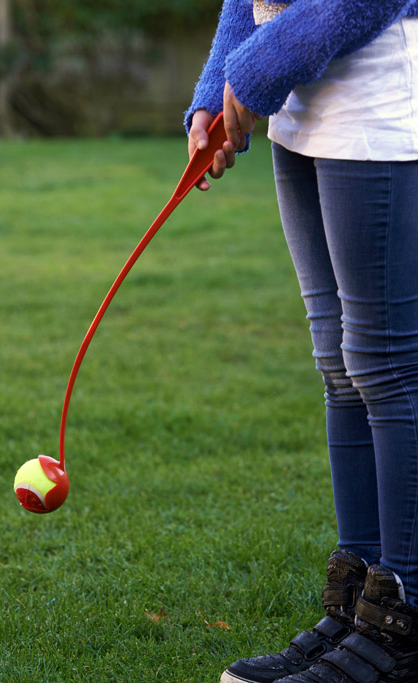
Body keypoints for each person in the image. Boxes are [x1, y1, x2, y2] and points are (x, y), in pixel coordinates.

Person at [185, 1, 418, 682]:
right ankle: (357, 604)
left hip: (376, 106)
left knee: (385, 366)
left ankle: (402, 620)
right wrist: (215, 90)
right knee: (339, 363)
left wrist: (255, 68)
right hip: (300, 109)